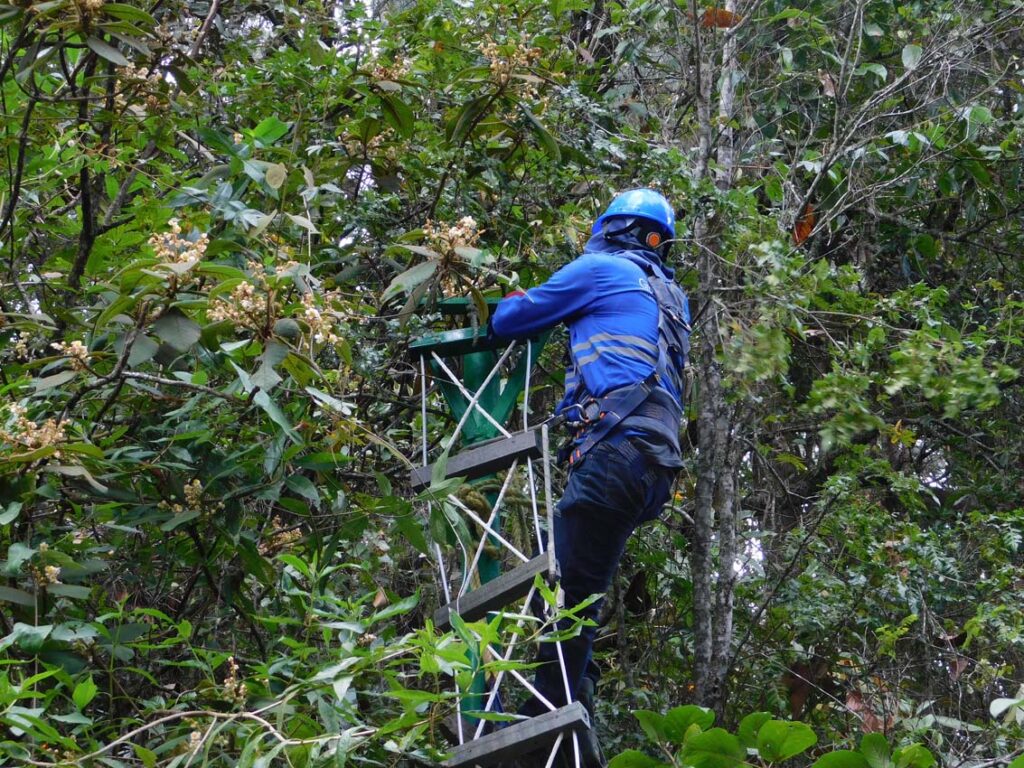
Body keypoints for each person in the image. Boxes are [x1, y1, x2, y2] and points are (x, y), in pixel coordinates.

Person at [489, 188, 691, 764]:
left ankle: (536, 742)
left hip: (616, 453)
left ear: (612, 229)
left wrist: (507, 297)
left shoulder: (600, 268)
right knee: (582, 590)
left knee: (567, 596)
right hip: (650, 465)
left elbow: (511, 319)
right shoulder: (673, 296)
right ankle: (573, 736)